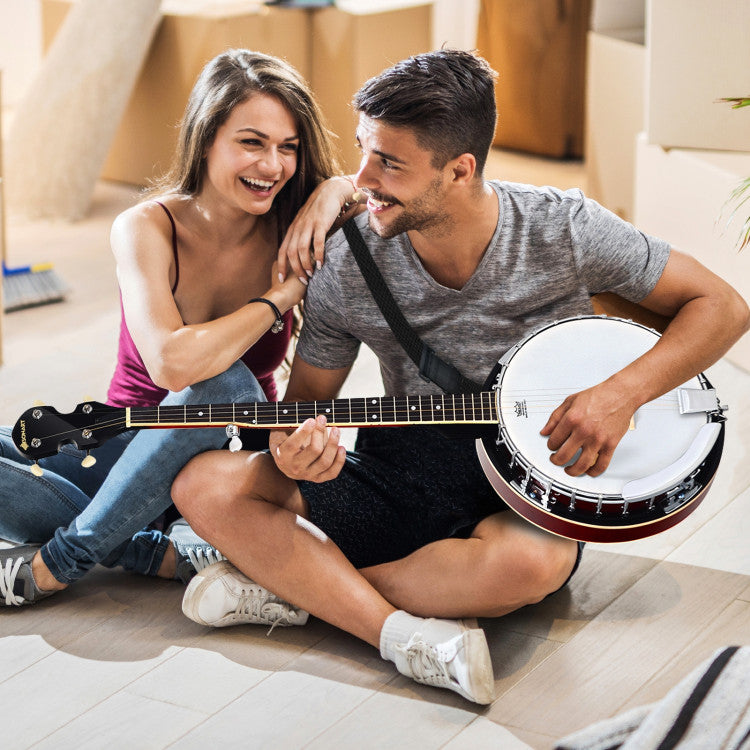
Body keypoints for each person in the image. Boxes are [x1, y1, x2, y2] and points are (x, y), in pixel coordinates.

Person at [170, 49, 750, 704]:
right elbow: (304, 406)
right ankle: (391, 628)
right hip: (402, 464)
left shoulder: (563, 227)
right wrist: (299, 453)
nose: (362, 179)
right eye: (362, 151)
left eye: (388, 162)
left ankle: (297, 589)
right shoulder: (347, 260)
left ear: (459, 169)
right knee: (205, 485)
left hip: (533, 477)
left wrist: (620, 394)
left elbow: (724, 307)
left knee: (533, 565)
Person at [0, 49, 353, 611]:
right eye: (252, 142)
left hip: (231, 456)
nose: (273, 166)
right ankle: (150, 553)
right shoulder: (145, 226)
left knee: (226, 389)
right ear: (206, 136)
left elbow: (387, 189)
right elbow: (170, 364)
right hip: (125, 451)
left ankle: (63, 560)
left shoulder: (296, 225)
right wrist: (280, 296)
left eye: (289, 148)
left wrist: (334, 189)